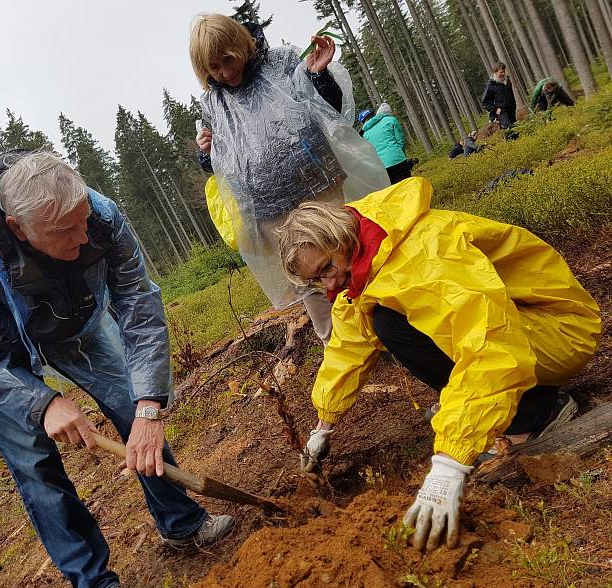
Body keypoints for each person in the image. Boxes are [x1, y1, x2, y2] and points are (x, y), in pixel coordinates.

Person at [0, 150, 233, 588]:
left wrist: (150, 405)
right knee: (36, 464)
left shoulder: (100, 214)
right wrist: (44, 403)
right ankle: (95, 586)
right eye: (63, 232)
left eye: (83, 220)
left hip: (76, 323)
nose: (82, 235)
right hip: (2, 351)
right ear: (19, 227)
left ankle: (181, 522)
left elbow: (137, 303)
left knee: (136, 409)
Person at [277, 177, 601, 552]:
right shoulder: (368, 254)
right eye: (318, 279)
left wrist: (450, 460)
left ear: (338, 237)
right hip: (526, 333)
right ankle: (514, 403)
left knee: (392, 323)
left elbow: (491, 345)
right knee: (383, 320)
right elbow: (349, 345)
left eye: (326, 268)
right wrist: (324, 424)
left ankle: (534, 413)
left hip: (561, 333)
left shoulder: (424, 253)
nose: (329, 283)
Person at [191, 14, 388, 344]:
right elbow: (226, 166)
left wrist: (320, 74)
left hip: (319, 182)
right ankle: (337, 344)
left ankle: (384, 322)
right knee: (305, 275)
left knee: (346, 250)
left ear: (241, 44)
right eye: (214, 67)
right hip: (268, 209)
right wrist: (206, 153)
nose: (225, 72)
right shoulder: (214, 102)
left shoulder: (281, 62)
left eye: (228, 59)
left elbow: (328, 111)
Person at [361, 102, 413, 184]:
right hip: (397, 159)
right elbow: (400, 141)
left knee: (393, 190)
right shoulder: (391, 120)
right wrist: (400, 155)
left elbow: (370, 153)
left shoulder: (365, 134)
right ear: (374, 115)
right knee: (407, 185)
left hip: (382, 167)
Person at [481, 62, 516, 130]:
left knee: (514, 127)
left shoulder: (507, 81)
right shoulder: (491, 85)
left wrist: (513, 104)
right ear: (495, 72)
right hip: (501, 111)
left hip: (511, 108)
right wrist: (495, 109)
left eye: (504, 72)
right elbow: (484, 102)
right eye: (501, 72)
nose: (503, 74)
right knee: (508, 127)